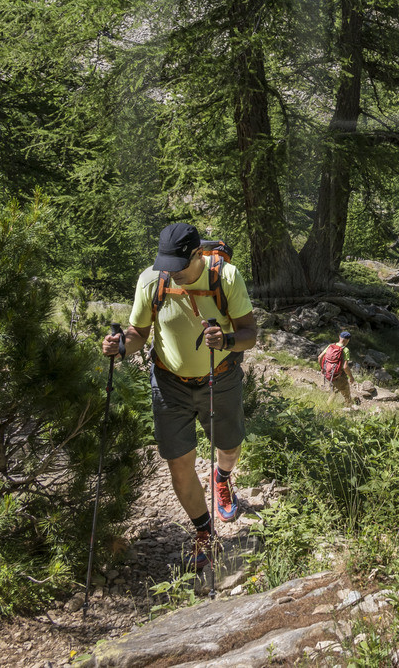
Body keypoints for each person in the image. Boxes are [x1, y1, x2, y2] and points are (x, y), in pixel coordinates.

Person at [101, 222, 257, 566]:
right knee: (178, 463)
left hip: (221, 376)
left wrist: (227, 341)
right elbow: (139, 332)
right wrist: (121, 347)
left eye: (178, 267)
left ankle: (223, 477)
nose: (172, 274)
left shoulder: (226, 277)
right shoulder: (151, 281)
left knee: (228, 446)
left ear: (197, 254)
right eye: (166, 266)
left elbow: (250, 333)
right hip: (169, 383)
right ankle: (204, 531)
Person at [319, 330, 356, 406]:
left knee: (334, 390)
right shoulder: (345, 350)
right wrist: (351, 377)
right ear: (347, 340)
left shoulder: (330, 346)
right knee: (345, 391)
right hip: (339, 375)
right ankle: (348, 408)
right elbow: (345, 367)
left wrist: (322, 368)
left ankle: (346, 406)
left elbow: (320, 357)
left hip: (329, 373)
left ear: (339, 337)